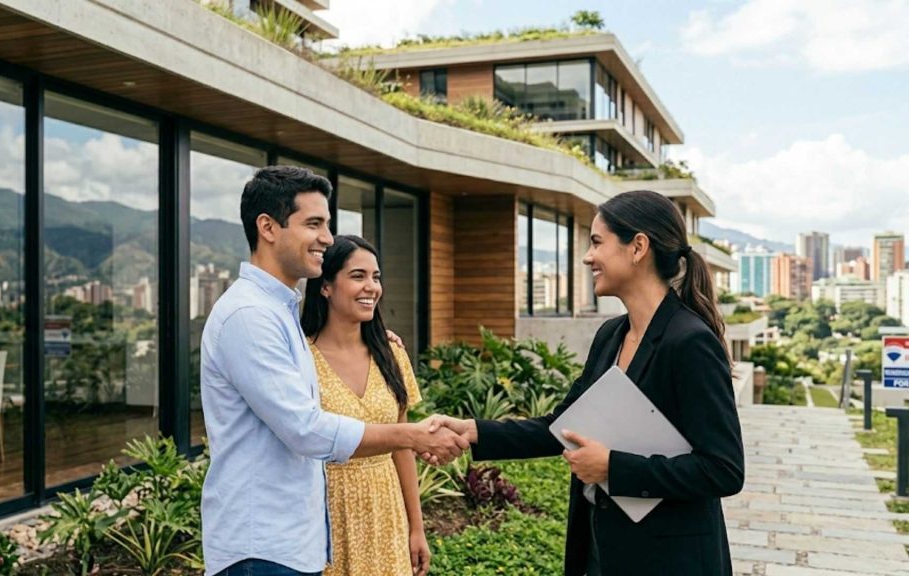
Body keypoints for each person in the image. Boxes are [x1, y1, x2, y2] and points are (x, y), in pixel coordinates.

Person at [427, 190, 744, 575]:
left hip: (669, 560)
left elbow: (723, 469)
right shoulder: (611, 336)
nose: (587, 256)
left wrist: (613, 467)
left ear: (638, 247)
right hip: (601, 550)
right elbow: (562, 428)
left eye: (597, 242)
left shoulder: (689, 342)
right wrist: (472, 431)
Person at [200, 166, 467, 576]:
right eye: (314, 224)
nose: (327, 237)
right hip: (262, 550)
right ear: (268, 227)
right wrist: (412, 435)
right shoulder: (250, 316)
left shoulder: (279, 311)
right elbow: (305, 429)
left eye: (327, 224)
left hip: (292, 543)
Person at [301, 235, 430, 576]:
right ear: (326, 286)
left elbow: (403, 444)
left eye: (376, 277)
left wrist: (416, 528)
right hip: (325, 513)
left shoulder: (392, 354)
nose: (371, 286)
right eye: (358, 276)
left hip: (386, 512)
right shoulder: (300, 359)